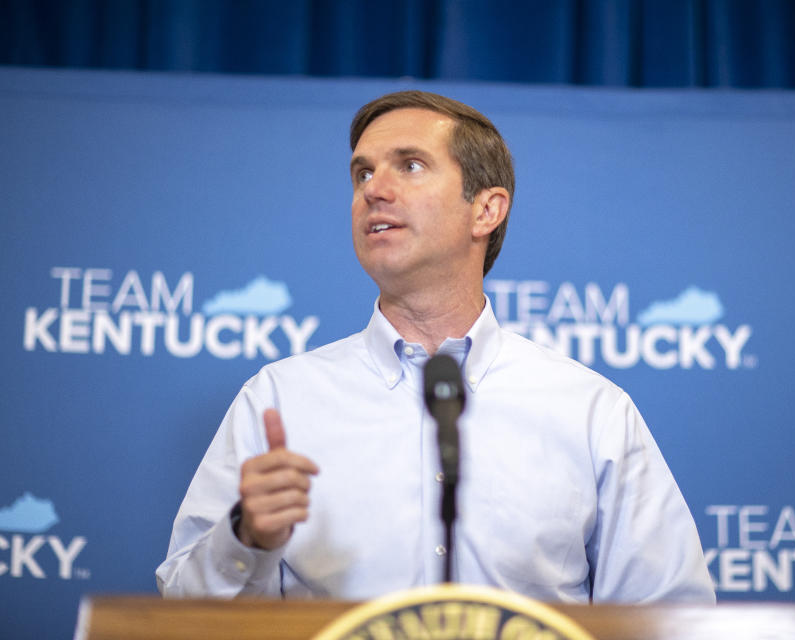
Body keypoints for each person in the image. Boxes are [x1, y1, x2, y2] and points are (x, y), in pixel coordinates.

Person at [156, 91, 715, 603]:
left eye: (411, 165)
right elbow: (178, 613)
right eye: (362, 173)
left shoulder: (591, 411)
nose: (373, 188)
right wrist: (244, 538)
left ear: (486, 210)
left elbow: (670, 616)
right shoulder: (279, 398)